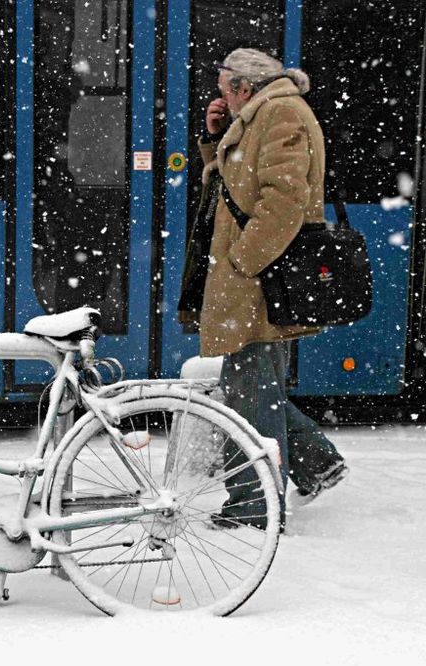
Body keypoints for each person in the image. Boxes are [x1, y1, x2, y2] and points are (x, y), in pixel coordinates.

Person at [178, 48, 348, 531]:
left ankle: (252, 508)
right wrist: (216, 140)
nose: (220, 95)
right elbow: (234, 187)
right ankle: (316, 463)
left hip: (258, 280)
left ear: (244, 88)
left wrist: (242, 261)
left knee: (249, 395)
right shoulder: (262, 114)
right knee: (253, 388)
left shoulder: (280, 114)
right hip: (254, 279)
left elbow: (284, 201)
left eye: (225, 87)